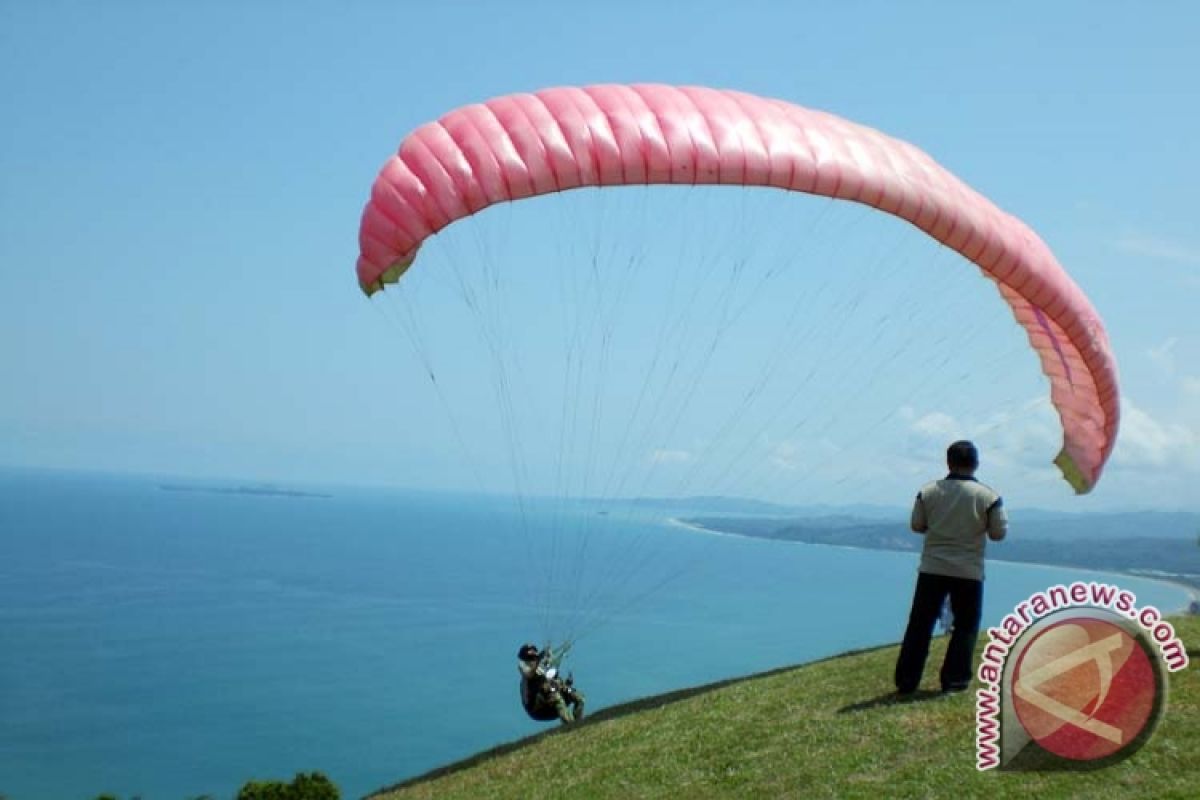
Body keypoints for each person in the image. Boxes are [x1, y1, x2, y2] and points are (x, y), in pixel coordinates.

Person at [894, 440, 1007, 695]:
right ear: (976, 464)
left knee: (920, 624)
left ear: (948, 462)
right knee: (965, 625)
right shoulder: (989, 497)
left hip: (932, 567)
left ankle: (906, 681)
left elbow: (917, 525)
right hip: (968, 571)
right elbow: (998, 533)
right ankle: (954, 681)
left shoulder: (928, 491)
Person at [517, 643, 586, 724]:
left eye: (534, 657)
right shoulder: (527, 675)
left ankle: (579, 722)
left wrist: (567, 685)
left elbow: (552, 676)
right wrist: (539, 659)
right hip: (537, 709)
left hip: (550, 701)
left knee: (578, 696)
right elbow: (530, 673)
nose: (533, 660)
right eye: (530, 658)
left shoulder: (542, 668)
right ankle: (570, 725)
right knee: (555, 695)